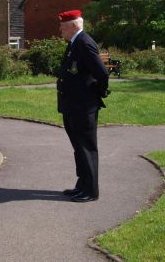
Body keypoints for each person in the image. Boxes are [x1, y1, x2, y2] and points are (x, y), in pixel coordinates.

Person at [57, 10, 109, 202]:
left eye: (63, 25)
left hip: (83, 106)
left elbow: (102, 73)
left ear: (74, 25)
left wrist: (99, 92)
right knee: (79, 148)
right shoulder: (74, 43)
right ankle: (82, 183)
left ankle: (91, 190)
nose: (60, 29)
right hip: (72, 105)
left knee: (87, 148)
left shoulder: (85, 43)